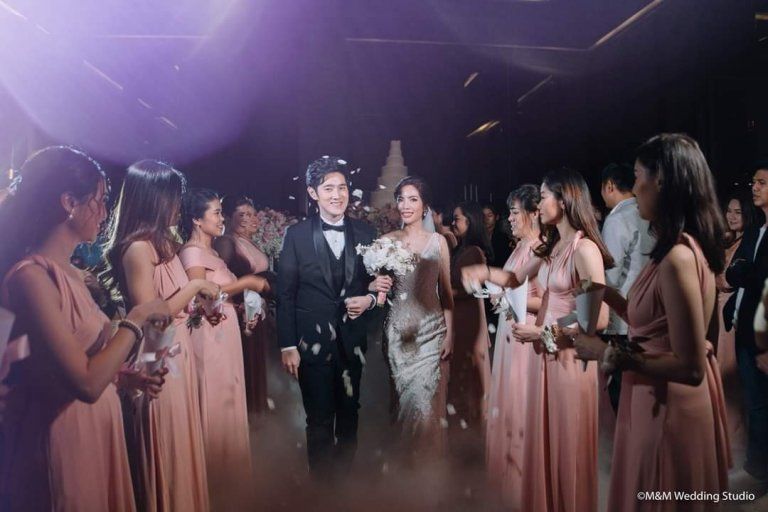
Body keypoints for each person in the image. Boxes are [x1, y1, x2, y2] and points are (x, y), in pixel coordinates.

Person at [0, 146, 168, 511]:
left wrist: (123, 378)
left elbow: (65, 366)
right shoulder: (32, 277)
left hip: (96, 428)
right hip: (63, 435)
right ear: (69, 203)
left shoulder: (73, 275)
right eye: (100, 200)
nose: (105, 213)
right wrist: (137, 317)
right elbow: (86, 383)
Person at [574, 133, 732, 511]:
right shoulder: (677, 248)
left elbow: (691, 366)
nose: (635, 188)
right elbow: (651, 321)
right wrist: (603, 292)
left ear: (660, 180)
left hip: (666, 405)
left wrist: (608, 353)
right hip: (653, 397)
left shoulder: (678, 257)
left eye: (638, 176)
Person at [463, 167, 612, 512]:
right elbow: (515, 278)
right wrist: (483, 271)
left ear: (564, 200)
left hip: (569, 361)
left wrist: (542, 332)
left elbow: (597, 320)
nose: (539, 204)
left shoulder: (584, 250)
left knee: (565, 450)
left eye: (544, 197)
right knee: (543, 447)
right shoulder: (553, 246)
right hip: (546, 358)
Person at [105, 160, 217, 512]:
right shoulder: (138, 249)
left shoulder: (165, 244)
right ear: (153, 198)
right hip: (157, 355)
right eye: (173, 197)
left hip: (178, 352)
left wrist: (201, 308)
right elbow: (151, 314)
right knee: (167, 447)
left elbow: (176, 304)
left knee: (184, 442)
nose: (178, 205)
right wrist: (196, 286)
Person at [277, 156, 391, 479]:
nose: (337, 195)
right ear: (313, 193)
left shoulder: (366, 233)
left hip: (351, 341)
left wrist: (369, 299)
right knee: (319, 419)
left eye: (342, 188)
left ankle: (342, 486)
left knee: (350, 415)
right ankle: (322, 491)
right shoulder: (296, 235)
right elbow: (285, 295)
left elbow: (382, 286)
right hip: (310, 343)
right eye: (328, 188)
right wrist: (288, 345)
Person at [179, 189, 269, 509]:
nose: (222, 219)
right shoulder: (192, 253)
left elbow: (221, 296)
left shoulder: (214, 252)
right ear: (196, 219)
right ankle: (214, 486)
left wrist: (243, 308)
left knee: (231, 404)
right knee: (215, 405)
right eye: (216, 213)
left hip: (226, 335)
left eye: (220, 212)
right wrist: (247, 284)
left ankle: (233, 486)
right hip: (209, 339)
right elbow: (202, 297)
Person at [383, 176, 454, 458]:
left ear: (425, 206)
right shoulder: (386, 242)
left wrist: (450, 334)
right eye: (401, 199)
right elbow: (376, 289)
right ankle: (403, 469)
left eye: (413, 199)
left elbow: (446, 293)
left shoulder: (438, 242)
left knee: (426, 404)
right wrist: (375, 286)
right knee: (403, 403)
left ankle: (426, 468)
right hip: (398, 333)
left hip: (431, 332)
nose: (406, 205)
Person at [485, 184, 542, 509]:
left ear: (534, 213)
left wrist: (508, 296)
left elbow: (550, 301)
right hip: (509, 333)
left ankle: (524, 484)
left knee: (521, 406)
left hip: (526, 336)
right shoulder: (519, 247)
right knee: (507, 402)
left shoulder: (541, 249)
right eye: (509, 212)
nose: (510, 218)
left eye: (515, 212)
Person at [724, 159, 768, 495]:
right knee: (754, 403)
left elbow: (753, 276)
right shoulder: (755, 230)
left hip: (762, 337)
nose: (754, 187)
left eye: (762, 183)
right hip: (743, 330)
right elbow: (737, 272)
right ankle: (756, 468)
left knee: (760, 405)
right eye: (754, 182)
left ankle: (757, 473)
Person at [214, 196, 273, 417]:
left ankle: (257, 410)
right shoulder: (226, 243)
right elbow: (221, 279)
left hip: (255, 309)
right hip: (241, 311)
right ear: (229, 218)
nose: (250, 218)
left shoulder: (248, 241)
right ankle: (245, 412)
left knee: (256, 358)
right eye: (243, 214)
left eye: (252, 214)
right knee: (246, 361)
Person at [718, 191, 758, 458]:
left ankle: (736, 444)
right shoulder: (726, 240)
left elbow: (728, 280)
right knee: (719, 378)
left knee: (730, 379)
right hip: (715, 312)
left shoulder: (750, 243)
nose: (731, 217)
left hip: (732, 316)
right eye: (729, 211)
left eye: (738, 212)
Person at [449, 202, 492, 451]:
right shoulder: (460, 249)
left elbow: (471, 289)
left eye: (457, 219)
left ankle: (472, 433)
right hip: (459, 316)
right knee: (459, 373)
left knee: (468, 372)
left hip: (468, 317)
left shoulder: (474, 251)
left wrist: (442, 294)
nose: (453, 222)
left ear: (470, 221)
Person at [482, 203, 511, 268]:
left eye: (489, 215)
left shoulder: (503, 238)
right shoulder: (477, 236)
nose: (486, 218)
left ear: (497, 217)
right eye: (483, 216)